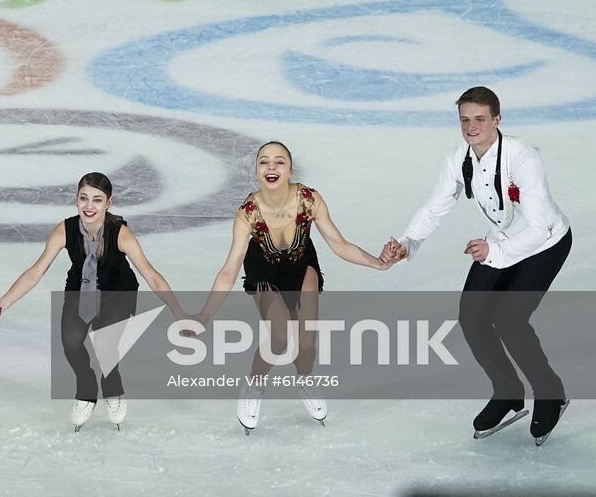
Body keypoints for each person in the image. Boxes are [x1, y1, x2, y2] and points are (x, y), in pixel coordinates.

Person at [380, 86, 572, 445]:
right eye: (465, 119)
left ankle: (551, 393)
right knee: (472, 316)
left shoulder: (523, 157)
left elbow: (538, 227)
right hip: (499, 239)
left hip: (545, 243)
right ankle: (507, 392)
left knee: (511, 320)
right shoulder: (459, 159)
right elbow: (436, 206)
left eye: (480, 119)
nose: (471, 126)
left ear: (497, 120)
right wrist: (407, 243)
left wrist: (493, 253)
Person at [192, 141, 393, 433]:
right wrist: (204, 315)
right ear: (257, 170)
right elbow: (229, 269)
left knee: (307, 342)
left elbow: (339, 244)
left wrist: (378, 263)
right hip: (264, 270)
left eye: (279, 162)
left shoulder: (309, 200)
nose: (271, 167)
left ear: (290, 169)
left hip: (301, 265)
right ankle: (254, 386)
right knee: (279, 337)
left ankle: (305, 379)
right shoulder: (248, 212)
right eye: (264, 162)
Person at [0, 172, 184, 431]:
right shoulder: (64, 230)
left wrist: (178, 311)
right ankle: (86, 388)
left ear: (109, 203)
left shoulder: (121, 234)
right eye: (83, 198)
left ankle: (113, 386)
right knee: (71, 341)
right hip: (80, 287)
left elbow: (152, 275)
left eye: (97, 200)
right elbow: (35, 272)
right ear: (76, 199)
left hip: (117, 290)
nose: (89, 206)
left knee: (106, 346)